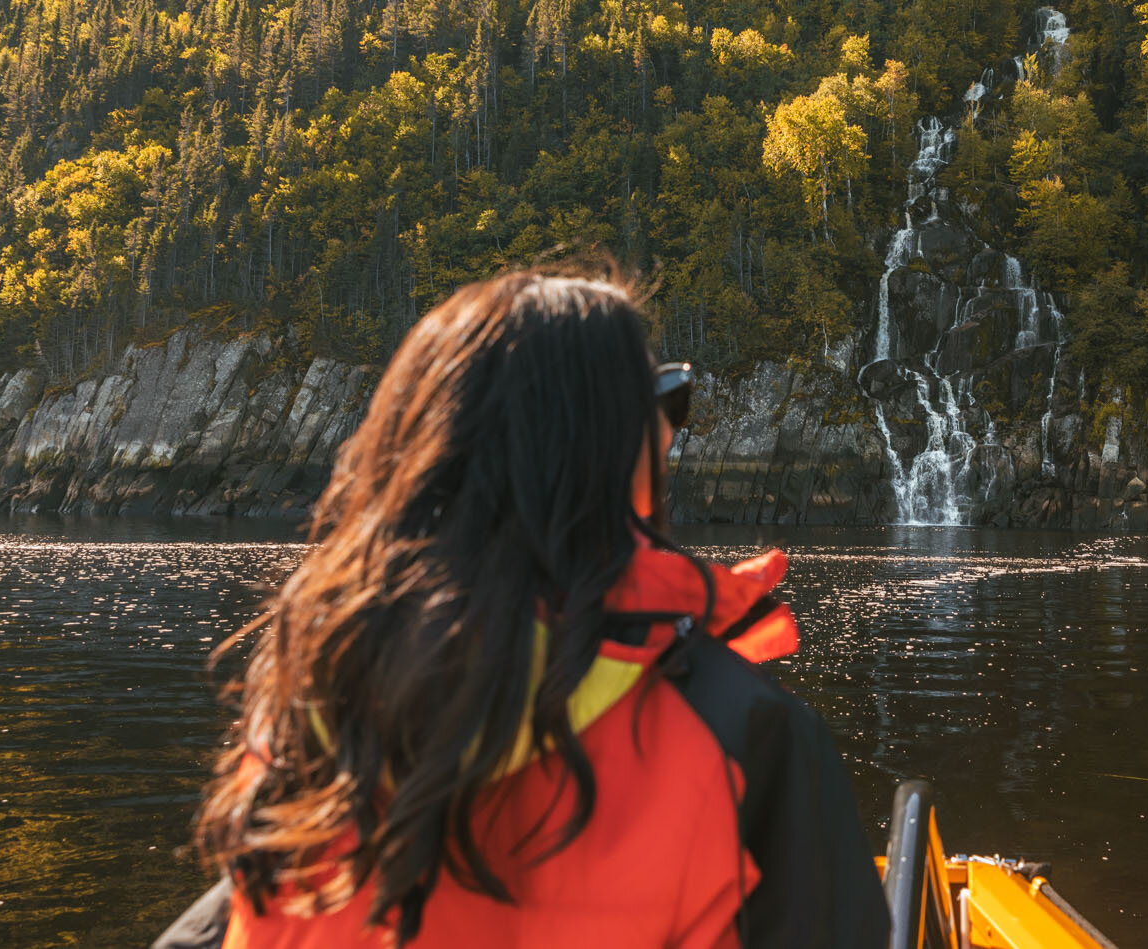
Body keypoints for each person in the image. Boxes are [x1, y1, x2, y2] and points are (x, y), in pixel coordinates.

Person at [151, 270, 889, 948]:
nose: (671, 432)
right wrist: (695, 684)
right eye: (662, 404)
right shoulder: (750, 739)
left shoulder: (307, 706)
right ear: (600, 453)